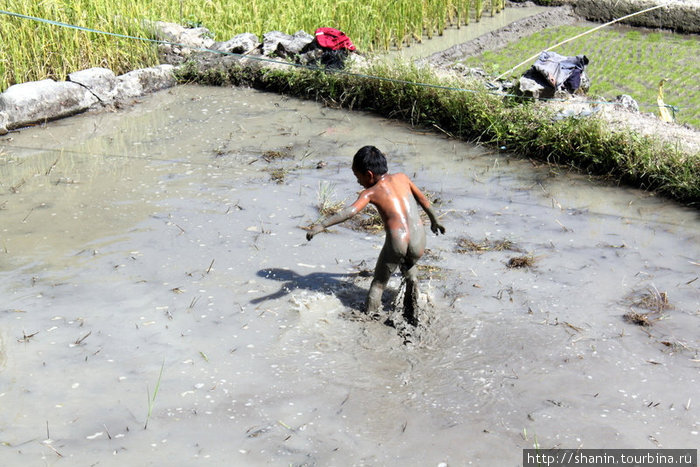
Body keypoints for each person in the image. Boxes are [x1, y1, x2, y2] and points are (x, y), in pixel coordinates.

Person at [306, 145, 445, 325]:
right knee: (410, 271)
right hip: (419, 240)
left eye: (358, 177)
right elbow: (423, 200)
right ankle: (413, 309)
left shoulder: (370, 192)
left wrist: (322, 225)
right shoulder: (402, 178)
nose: (358, 182)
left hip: (397, 241)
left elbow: (349, 212)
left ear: (369, 175)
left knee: (379, 283)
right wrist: (435, 220)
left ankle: (370, 320)